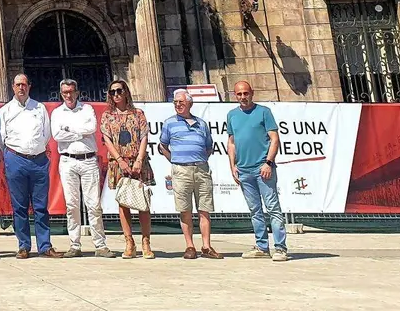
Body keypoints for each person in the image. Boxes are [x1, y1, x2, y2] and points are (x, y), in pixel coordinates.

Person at [0, 74, 58, 259]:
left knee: (41, 206)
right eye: (17, 85)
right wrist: (13, 154)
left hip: (38, 161)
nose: (21, 88)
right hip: (16, 160)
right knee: (19, 207)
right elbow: (0, 139)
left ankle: (45, 245)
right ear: (13, 87)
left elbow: (47, 134)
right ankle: (23, 246)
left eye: (24, 84)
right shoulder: (5, 111)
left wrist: (35, 150)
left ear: (29, 86)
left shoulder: (39, 108)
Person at [51, 79, 114, 258]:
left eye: (71, 91)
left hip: (88, 160)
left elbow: (92, 128)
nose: (68, 95)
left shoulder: (87, 109)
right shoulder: (57, 112)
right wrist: (80, 132)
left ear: (77, 92)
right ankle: (74, 244)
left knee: (93, 204)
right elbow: (57, 135)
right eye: (65, 92)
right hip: (68, 160)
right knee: (71, 205)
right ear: (61, 94)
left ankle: (100, 245)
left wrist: (69, 129)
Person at [227, 80, 289, 262]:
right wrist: (233, 165)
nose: (243, 97)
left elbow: (274, 139)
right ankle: (262, 246)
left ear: (252, 93)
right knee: (255, 210)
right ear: (235, 95)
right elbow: (231, 142)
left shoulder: (264, 112)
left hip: (263, 169)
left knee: (273, 208)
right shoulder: (231, 115)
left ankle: (280, 248)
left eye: (245, 93)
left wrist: (268, 163)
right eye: (239, 94)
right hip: (244, 170)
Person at [159, 88, 221, 259]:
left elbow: (209, 146)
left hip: (201, 169)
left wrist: (199, 159)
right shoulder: (169, 123)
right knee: (185, 210)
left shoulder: (202, 123)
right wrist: (175, 160)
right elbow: (163, 146)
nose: (178, 105)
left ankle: (206, 246)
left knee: (204, 209)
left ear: (190, 104)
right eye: (175, 102)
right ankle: (190, 246)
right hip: (181, 170)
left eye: (181, 102)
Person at [100, 79, 155, 260]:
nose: (115, 94)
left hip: (137, 160)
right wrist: (119, 160)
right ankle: (129, 241)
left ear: (126, 92)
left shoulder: (138, 113)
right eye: (112, 91)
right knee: (124, 203)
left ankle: (146, 241)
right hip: (119, 163)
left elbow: (144, 136)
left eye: (119, 90)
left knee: (143, 203)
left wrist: (139, 159)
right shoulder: (107, 116)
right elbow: (107, 139)